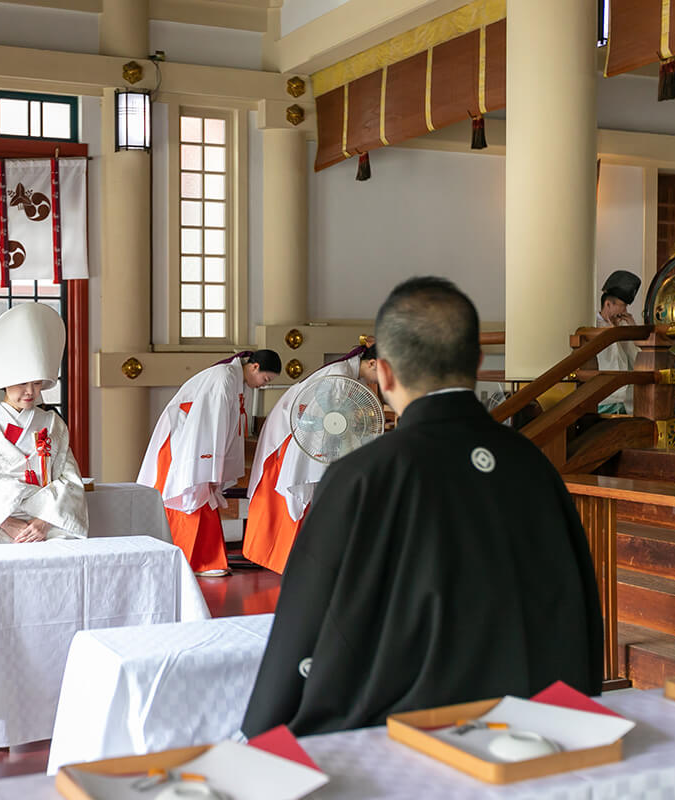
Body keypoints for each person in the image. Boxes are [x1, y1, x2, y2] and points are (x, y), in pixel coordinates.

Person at [241, 277, 602, 738]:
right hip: (534, 738)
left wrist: (264, 729)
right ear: (476, 362)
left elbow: (306, 628)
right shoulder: (535, 467)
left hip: (408, 742)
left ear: (384, 373)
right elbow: (576, 607)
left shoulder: (362, 478)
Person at [0, 302, 88, 547]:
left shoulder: (52, 423)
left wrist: (43, 522)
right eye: (23, 383)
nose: (31, 392)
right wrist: (7, 521)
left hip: (48, 523)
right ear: (4, 381)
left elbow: (70, 480)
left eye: (36, 383)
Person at [137, 350, 281, 576]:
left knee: (201, 497)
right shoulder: (223, 378)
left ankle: (204, 559)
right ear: (254, 367)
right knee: (187, 495)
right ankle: (185, 560)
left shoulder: (235, 380)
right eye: (266, 379)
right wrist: (210, 463)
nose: (263, 384)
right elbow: (209, 421)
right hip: (185, 443)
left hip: (196, 440)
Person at [243, 342, 380, 574]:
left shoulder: (346, 374)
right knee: (292, 496)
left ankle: (293, 561)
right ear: (372, 363)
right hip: (294, 442)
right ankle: (287, 562)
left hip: (301, 438)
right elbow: (320, 420)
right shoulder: (338, 376)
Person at [596, 269, 642, 415]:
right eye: (622, 305)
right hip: (602, 398)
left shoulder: (623, 326)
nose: (624, 310)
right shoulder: (593, 325)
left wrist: (633, 330)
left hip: (625, 400)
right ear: (608, 304)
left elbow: (637, 360)